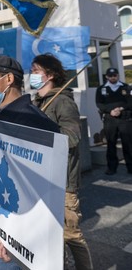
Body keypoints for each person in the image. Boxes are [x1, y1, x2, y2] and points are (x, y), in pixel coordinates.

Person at [0, 55, 59, 270]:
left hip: (12, 241)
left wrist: (19, 238)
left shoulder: (34, 122)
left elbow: (44, 192)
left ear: (8, 79)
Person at [31, 54, 93, 269]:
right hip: (42, 179)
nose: (32, 76)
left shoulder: (63, 101)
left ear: (50, 75)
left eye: (36, 71)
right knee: (50, 236)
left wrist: (43, 131)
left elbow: (73, 137)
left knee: (72, 236)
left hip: (63, 183)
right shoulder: (37, 102)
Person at [95, 67, 132, 175]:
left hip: (124, 119)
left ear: (118, 76)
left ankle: (130, 167)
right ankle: (111, 168)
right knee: (111, 143)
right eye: (110, 76)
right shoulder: (101, 89)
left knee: (128, 144)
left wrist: (120, 109)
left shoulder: (126, 87)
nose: (113, 77)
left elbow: (130, 103)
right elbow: (99, 104)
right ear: (106, 77)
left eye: (114, 75)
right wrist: (110, 111)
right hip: (110, 120)